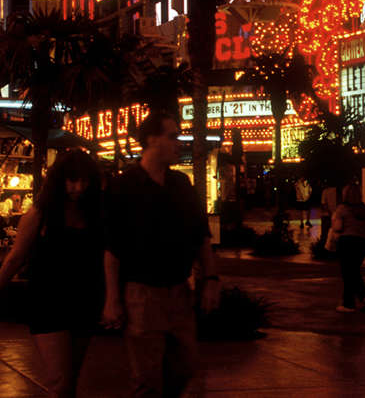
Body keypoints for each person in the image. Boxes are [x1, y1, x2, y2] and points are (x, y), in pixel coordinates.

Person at [102, 111, 220, 397]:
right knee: (146, 378)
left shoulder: (181, 185)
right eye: (173, 136)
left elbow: (200, 236)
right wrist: (112, 298)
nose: (179, 143)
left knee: (185, 366)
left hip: (179, 289)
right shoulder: (124, 186)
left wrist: (211, 279)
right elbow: (112, 248)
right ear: (151, 139)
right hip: (141, 292)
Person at [0, 150, 104, 398]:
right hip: (48, 301)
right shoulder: (41, 213)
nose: (78, 187)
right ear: (60, 180)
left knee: (70, 380)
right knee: (60, 381)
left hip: (85, 300)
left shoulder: (95, 213)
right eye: (72, 180)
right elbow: (16, 257)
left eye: (84, 181)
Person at [330, 183, 365, 312]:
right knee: (354, 271)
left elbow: (338, 227)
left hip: (347, 242)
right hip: (362, 242)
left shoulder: (342, 208)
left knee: (348, 273)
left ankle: (349, 303)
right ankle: (362, 295)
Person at [319, 181, 338, 249]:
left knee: (325, 234)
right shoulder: (339, 191)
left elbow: (324, 204)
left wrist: (329, 212)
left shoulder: (325, 191)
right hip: (336, 215)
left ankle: (323, 249)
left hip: (327, 215)